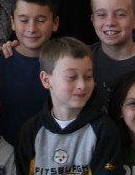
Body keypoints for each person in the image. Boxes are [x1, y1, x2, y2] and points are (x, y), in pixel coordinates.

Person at [15, 37, 122, 175]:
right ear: (46, 80)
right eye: (71, 77)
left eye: (88, 76)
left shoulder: (104, 130)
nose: (82, 85)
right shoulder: (30, 132)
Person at [0, 0, 59, 145]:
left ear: (55, 23)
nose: (31, 28)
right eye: (23, 20)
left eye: (41, 20)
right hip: (1, 157)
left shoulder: (65, 66)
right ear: (12, 22)